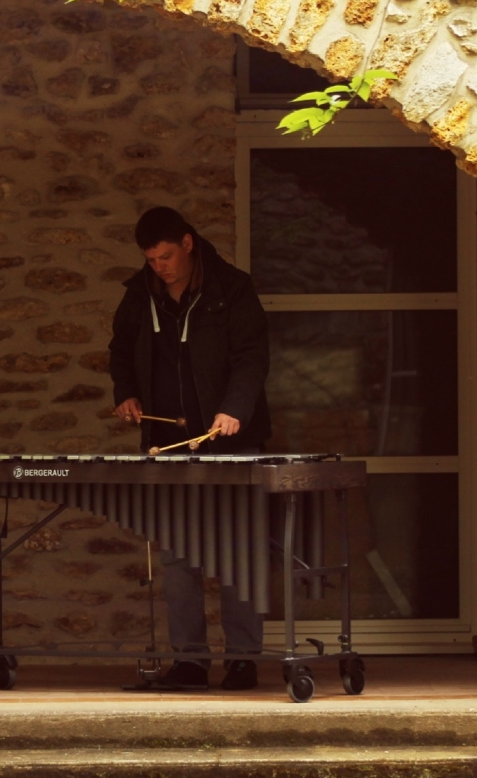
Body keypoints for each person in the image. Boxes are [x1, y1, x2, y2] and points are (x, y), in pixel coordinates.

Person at [105, 207, 274, 691]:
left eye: (165, 256)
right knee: (178, 554)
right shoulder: (140, 295)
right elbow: (120, 350)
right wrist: (127, 393)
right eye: (150, 259)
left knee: (238, 550)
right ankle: (190, 661)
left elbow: (251, 356)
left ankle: (242, 659)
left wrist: (234, 408)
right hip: (167, 444)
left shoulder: (232, 289)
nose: (159, 266)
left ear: (188, 243)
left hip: (231, 441)